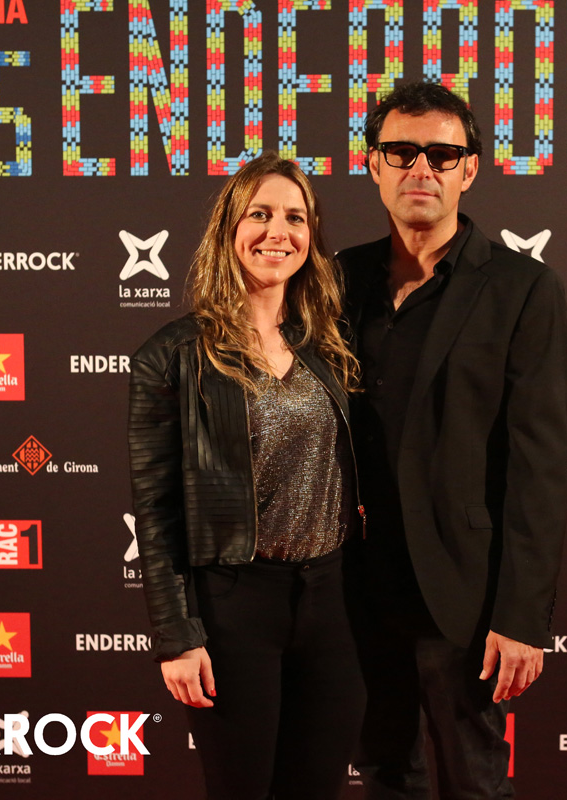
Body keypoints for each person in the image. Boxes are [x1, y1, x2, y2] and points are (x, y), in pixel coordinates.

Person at [338, 82, 567, 798]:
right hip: (354, 584)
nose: (421, 169)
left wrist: (522, 617)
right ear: (373, 165)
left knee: (474, 782)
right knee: (383, 774)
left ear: (469, 169)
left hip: (462, 591)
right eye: (401, 152)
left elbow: (539, 466)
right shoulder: (336, 279)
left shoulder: (522, 288)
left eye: (441, 155)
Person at [128, 152, 365, 800]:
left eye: (295, 218)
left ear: (311, 236)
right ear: (229, 228)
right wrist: (177, 637)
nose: (277, 232)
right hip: (234, 606)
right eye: (259, 215)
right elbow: (156, 511)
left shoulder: (333, 344)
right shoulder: (172, 357)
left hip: (334, 604)